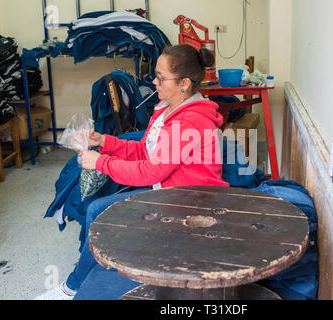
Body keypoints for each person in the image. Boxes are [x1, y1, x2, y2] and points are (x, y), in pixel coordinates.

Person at [35, 44, 229, 300]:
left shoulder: (188, 120)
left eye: (161, 77)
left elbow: (150, 171)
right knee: (97, 209)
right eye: (155, 74)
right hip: (167, 193)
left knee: (100, 211)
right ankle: (74, 285)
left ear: (184, 82)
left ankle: (73, 287)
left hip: (188, 205)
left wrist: (101, 163)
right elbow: (145, 151)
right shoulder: (165, 109)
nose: (154, 82)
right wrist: (104, 141)